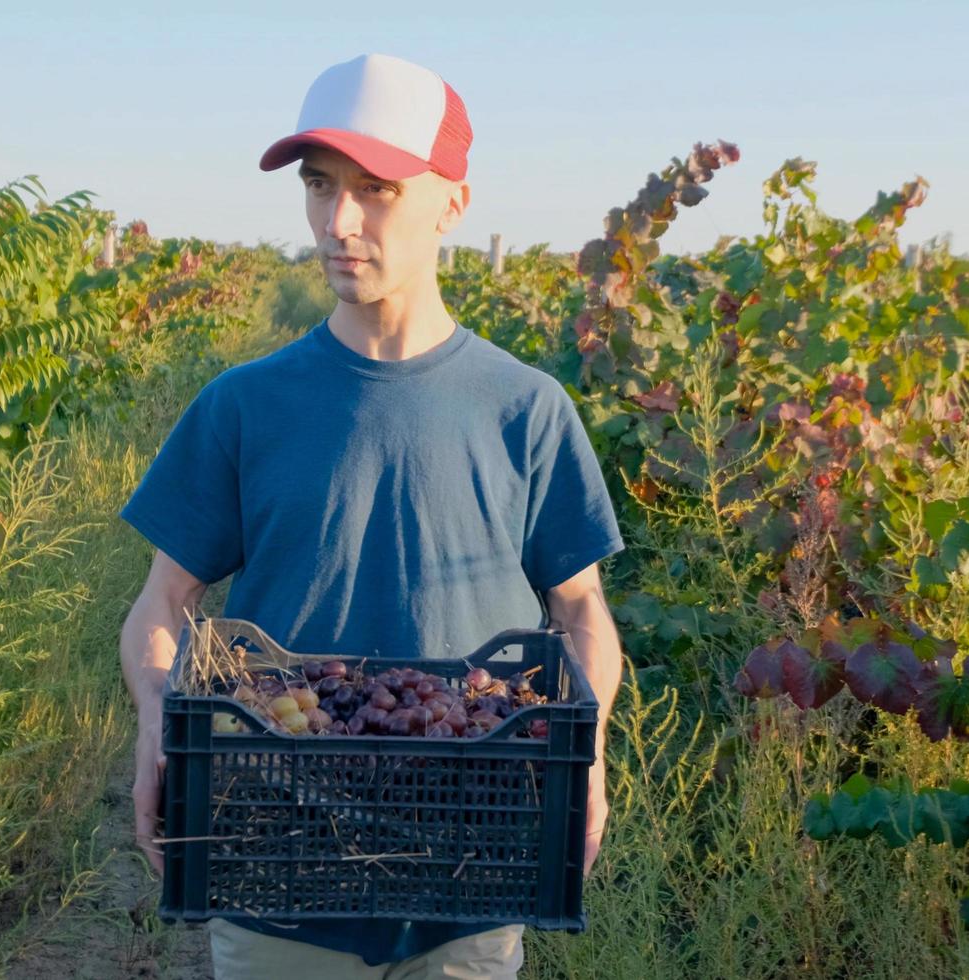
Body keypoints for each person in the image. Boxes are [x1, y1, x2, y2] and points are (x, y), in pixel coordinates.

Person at [117, 51, 626, 979]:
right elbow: (161, 606)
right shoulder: (245, 406)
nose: (338, 222)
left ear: (453, 203)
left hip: (471, 872)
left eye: (377, 190)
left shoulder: (525, 410)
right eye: (321, 187)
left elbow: (581, 611)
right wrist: (157, 710)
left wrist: (583, 746)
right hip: (277, 872)